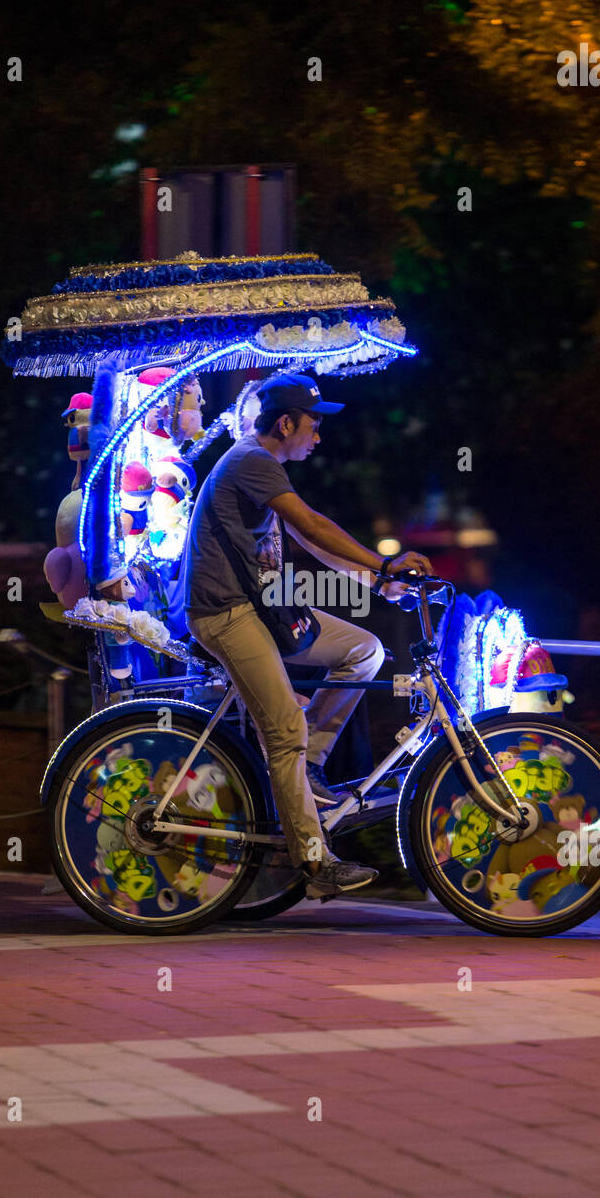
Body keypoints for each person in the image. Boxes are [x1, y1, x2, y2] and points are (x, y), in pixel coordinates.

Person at [182, 372, 433, 900]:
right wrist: (385, 561)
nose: (318, 436)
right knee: (284, 730)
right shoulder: (252, 460)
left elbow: (307, 540)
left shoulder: (263, 466)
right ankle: (315, 864)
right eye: (314, 425)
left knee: (365, 651)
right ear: (286, 422)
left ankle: (311, 764)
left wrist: (376, 581)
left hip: (267, 607)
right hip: (225, 613)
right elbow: (315, 525)